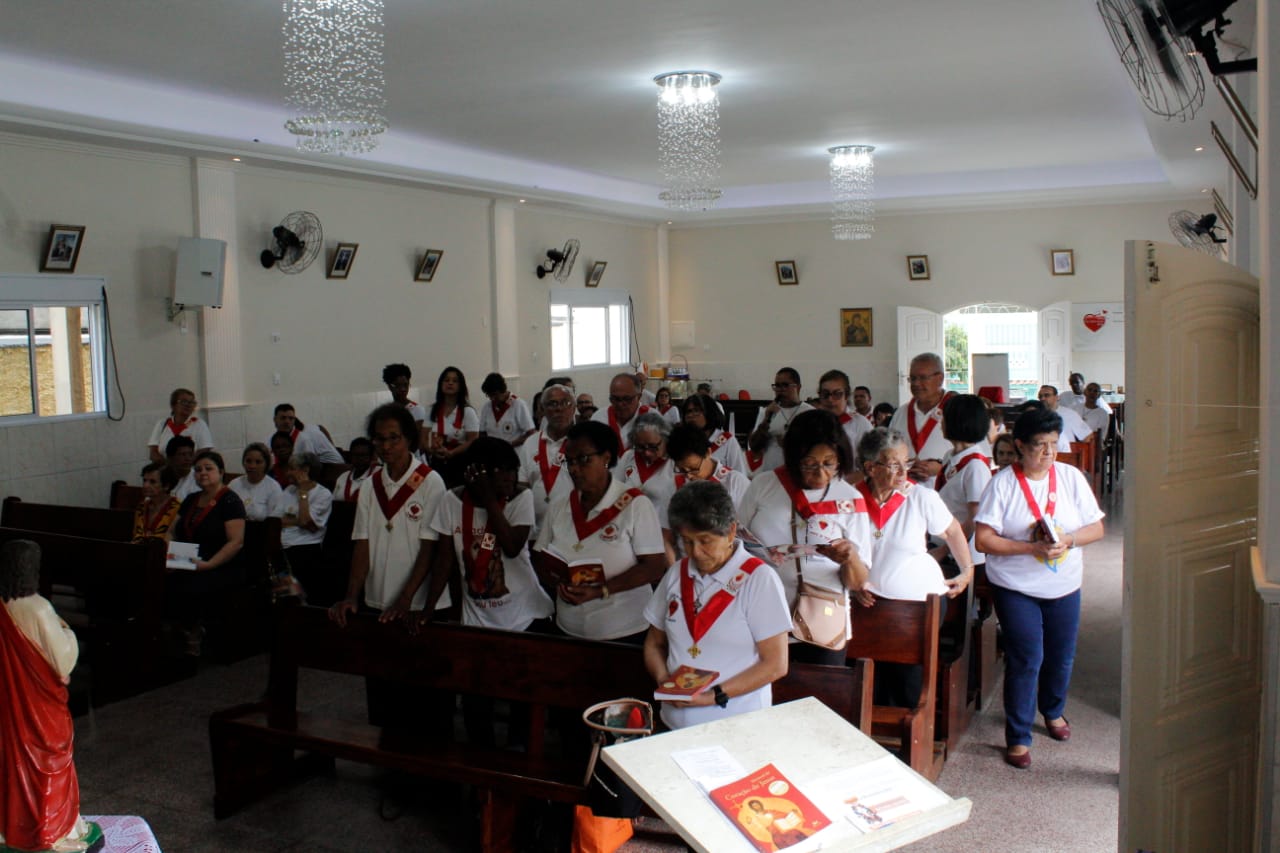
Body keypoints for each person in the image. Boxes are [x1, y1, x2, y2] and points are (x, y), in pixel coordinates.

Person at [974, 406, 1105, 769]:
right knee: (1027, 657)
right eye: (1039, 445)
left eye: (1053, 444)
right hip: (1016, 586)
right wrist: (1030, 548)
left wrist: (1068, 540)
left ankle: (1053, 710)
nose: (1048, 453)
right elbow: (984, 540)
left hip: (1064, 583)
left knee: (1061, 655)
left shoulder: (1070, 477)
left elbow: (1096, 528)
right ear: (1019, 445)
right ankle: (1018, 735)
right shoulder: (1002, 484)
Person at [425, 438, 554, 745]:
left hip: (523, 616)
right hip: (478, 619)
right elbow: (444, 560)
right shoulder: (450, 500)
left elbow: (511, 546)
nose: (510, 478)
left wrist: (489, 498)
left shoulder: (520, 498)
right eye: (501, 471)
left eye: (513, 470)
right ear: (477, 471)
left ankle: (519, 755)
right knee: (476, 703)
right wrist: (429, 608)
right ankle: (482, 763)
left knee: (522, 699)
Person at [329, 404, 449, 731]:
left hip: (418, 604)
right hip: (379, 601)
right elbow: (362, 543)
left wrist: (405, 599)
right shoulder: (371, 485)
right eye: (380, 439)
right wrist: (352, 595)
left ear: (409, 438)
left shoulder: (431, 482)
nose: (386, 446)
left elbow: (429, 548)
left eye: (394, 438)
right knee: (384, 688)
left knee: (423, 693)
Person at [643, 481, 791, 730]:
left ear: (731, 532)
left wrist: (713, 696)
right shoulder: (677, 573)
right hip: (674, 725)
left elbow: (775, 664)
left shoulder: (759, 579)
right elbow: (654, 643)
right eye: (687, 541)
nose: (696, 552)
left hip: (737, 726)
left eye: (705, 541)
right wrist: (664, 680)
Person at [738, 410, 870, 665]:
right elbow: (735, 542)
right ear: (793, 457)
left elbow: (857, 582)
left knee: (820, 690)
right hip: (763, 614)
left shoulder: (850, 499)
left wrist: (850, 558)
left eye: (830, 463)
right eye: (809, 464)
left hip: (822, 622)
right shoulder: (763, 486)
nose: (820, 474)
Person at [854, 427, 974, 707]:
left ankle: (910, 723)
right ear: (870, 467)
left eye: (905, 462)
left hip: (917, 605)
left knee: (906, 676)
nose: (903, 471)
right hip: (868, 603)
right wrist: (853, 583)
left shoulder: (921, 497)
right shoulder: (851, 499)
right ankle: (874, 725)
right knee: (871, 673)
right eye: (893, 464)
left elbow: (952, 531)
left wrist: (967, 570)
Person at [0, 540, 96, 853]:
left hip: (9, 702)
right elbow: (63, 660)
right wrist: (68, 632)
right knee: (47, 760)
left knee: (12, 761)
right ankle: (49, 828)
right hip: (40, 705)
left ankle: (10, 826)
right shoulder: (39, 608)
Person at [532, 421, 666, 642]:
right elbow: (539, 556)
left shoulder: (635, 504)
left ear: (606, 457)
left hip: (624, 630)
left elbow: (654, 567)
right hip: (569, 626)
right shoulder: (559, 505)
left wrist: (601, 590)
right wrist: (558, 581)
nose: (574, 469)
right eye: (569, 461)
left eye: (583, 459)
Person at [170, 450, 247, 656]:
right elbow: (172, 530)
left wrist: (210, 564)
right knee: (161, 579)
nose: (202, 473)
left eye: (208, 468)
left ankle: (194, 634)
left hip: (220, 563)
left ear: (221, 472)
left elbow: (236, 542)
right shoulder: (191, 499)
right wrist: (172, 555)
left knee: (192, 585)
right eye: (197, 470)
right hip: (189, 559)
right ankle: (176, 633)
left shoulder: (230, 501)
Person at [932, 395, 993, 592]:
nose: (941, 423)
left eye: (945, 417)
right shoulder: (950, 456)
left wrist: (945, 550)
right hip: (943, 543)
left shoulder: (975, 466)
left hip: (961, 554)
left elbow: (975, 519)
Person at [274, 452, 333, 604]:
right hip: (283, 547)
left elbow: (307, 522)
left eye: (292, 469)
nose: (287, 473)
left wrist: (303, 493)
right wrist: (297, 520)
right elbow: (276, 520)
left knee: (303, 596)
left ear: (305, 470)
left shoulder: (323, 494)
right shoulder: (288, 490)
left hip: (305, 548)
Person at [517, 383, 575, 536]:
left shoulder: (583, 441)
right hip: (537, 531)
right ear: (542, 410)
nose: (559, 409)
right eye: (552, 404)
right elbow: (522, 486)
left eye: (565, 403)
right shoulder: (530, 443)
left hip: (574, 529)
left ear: (574, 408)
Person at [888, 352, 953, 487]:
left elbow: (978, 459)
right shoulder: (901, 413)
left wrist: (942, 469)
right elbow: (888, 452)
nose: (916, 384)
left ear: (940, 378)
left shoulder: (958, 411)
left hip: (946, 493)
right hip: (907, 491)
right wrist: (904, 465)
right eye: (912, 378)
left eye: (923, 378)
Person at [666, 424, 751, 513]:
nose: (689, 476)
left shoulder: (735, 483)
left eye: (694, 468)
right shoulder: (675, 485)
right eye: (682, 470)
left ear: (708, 453)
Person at [748, 367, 813, 473]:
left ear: (798, 387)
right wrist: (766, 421)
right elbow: (754, 447)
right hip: (770, 472)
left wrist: (791, 444)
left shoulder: (810, 412)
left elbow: (817, 447)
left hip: (799, 472)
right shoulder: (767, 411)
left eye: (785, 385)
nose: (780, 390)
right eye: (777, 386)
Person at [426, 366, 480, 486]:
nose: (450, 383)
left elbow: (473, 440)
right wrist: (432, 451)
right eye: (446, 380)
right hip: (436, 463)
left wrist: (452, 453)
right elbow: (423, 439)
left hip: (460, 464)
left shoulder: (468, 412)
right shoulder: (432, 410)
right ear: (440, 384)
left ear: (461, 386)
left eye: (455, 381)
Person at [816, 369, 871, 471]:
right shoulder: (812, 423)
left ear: (846, 395)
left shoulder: (861, 424)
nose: (830, 399)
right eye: (825, 394)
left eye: (837, 394)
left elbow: (871, 465)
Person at [682, 392, 748, 474]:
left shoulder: (727, 441)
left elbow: (740, 474)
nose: (691, 415)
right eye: (688, 411)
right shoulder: (683, 441)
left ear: (709, 413)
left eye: (696, 410)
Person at [147, 387, 214, 464]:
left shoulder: (199, 424)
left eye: (192, 402)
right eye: (184, 402)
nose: (188, 405)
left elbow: (204, 450)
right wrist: (168, 466)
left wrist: (184, 464)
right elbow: (153, 453)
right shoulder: (162, 424)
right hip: (165, 468)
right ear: (173, 405)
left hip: (190, 468)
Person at [591, 373, 652, 451]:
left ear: (639, 397)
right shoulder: (599, 418)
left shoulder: (652, 418)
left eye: (627, 399)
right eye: (615, 399)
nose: (620, 404)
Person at [267, 404, 344, 464]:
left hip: (330, 466)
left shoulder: (304, 439)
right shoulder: (271, 438)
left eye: (291, 418)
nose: (287, 421)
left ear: (294, 420)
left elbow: (310, 464)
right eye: (283, 418)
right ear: (275, 420)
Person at [229, 443, 283, 521]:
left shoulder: (274, 487)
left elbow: (274, 520)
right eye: (248, 461)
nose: (252, 466)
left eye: (258, 462)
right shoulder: (234, 484)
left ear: (266, 464)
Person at [478, 372, 536, 446]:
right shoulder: (487, 407)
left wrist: (510, 444)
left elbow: (531, 433)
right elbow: (482, 433)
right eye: (489, 395)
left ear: (503, 390)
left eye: (494, 394)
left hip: (514, 450)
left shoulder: (519, 405)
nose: (492, 398)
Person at [132, 460, 180, 542]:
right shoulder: (142, 507)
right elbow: (136, 536)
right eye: (144, 480)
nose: (145, 485)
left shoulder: (178, 508)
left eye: (152, 482)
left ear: (166, 486)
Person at [1038, 385, 1094, 451]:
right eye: (1040, 396)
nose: (1042, 399)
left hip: (1065, 454)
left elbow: (1088, 437)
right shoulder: (1035, 415)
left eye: (1046, 395)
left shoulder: (1069, 414)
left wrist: (1077, 453)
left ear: (1057, 397)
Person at [333, 437, 377, 502]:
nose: (360, 459)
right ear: (350, 456)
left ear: (371, 457)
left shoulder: (377, 475)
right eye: (356, 455)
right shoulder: (343, 477)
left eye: (364, 455)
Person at [165, 434, 200, 501]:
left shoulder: (198, 480)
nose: (188, 458)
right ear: (170, 458)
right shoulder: (160, 477)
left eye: (190, 454)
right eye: (182, 454)